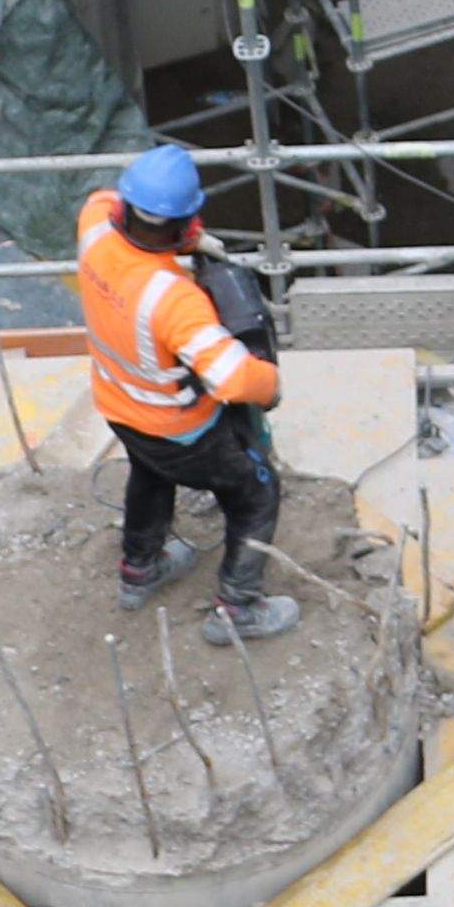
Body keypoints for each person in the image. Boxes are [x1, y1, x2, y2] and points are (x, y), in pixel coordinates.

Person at [74, 144, 293, 643]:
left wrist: (177, 237)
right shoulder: (173, 301)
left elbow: (101, 198)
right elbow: (236, 380)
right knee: (257, 495)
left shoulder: (92, 228)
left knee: (150, 475)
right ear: (186, 225)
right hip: (181, 429)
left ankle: (140, 569)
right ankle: (237, 609)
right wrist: (271, 384)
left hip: (119, 406)